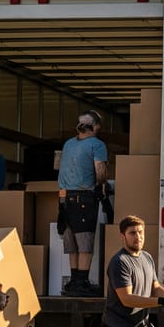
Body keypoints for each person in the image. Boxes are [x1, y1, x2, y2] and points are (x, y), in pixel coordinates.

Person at [57, 109, 108, 296]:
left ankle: (73, 281)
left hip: (63, 199)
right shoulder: (97, 144)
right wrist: (101, 186)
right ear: (95, 127)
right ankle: (82, 282)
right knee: (85, 241)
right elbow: (100, 170)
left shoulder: (68, 144)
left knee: (71, 241)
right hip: (83, 198)